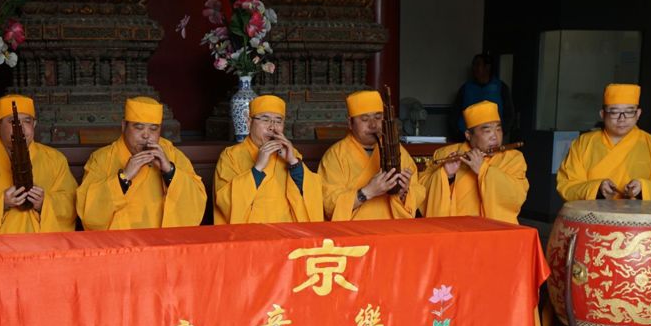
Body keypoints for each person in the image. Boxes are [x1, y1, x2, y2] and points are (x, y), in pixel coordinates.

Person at [77, 97, 206, 230]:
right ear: (123, 126)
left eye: (153, 129)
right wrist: (123, 178)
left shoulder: (173, 155)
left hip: (162, 243)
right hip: (120, 245)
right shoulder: (102, 158)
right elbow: (89, 212)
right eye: (139, 128)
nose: (146, 135)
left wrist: (170, 171)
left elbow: (196, 204)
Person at [0, 95, 76, 235]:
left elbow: (72, 204)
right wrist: (0, 202)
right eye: (13, 121)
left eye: (27, 121)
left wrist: (44, 203)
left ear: (33, 125)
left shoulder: (54, 159)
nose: (20, 128)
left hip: (41, 246)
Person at [557, 84, 651, 202]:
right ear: (602, 114)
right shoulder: (583, 144)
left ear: (638, 114)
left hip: (639, 219)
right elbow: (567, 186)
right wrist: (597, 189)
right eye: (614, 112)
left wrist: (643, 188)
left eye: (629, 112)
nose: (622, 118)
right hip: (592, 218)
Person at [214, 95, 322, 224]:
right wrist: (258, 168)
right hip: (249, 233)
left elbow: (311, 196)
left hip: (288, 231)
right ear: (249, 122)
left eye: (278, 121)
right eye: (265, 120)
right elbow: (225, 201)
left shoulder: (291, 154)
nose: (272, 127)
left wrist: (293, 163)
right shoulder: (231, 155)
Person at [318, 90, 424, 220]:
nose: (373, 125)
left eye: (378, 118)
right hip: (355, 234)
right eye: (365, 119)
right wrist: (368, 192)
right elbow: (329, 204)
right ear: (350, 123)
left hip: (393, 230)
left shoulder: (396, 150)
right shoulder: (335, 156)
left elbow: (418, 190)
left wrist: (404, 192)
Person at [421, 100, 528, 224]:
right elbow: (420, 191)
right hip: (453, 231)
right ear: (468, 135)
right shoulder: (445, 154)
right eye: (487, 131)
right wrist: (445, 175)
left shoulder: (513, 158)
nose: (495, 136)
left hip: (493, 233)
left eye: (498, 129)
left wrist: (482, 169)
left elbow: (516, 196)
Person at [448, 54, 514, 142]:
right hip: (465, 138)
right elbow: (455, 112)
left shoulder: (501, 87)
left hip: (491, 139)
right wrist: (458, 133)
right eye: (473, 65)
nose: (474, 68)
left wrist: (500, 132)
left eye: (478, 64)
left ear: (487, 67)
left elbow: (509, 114)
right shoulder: (466, 88)